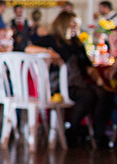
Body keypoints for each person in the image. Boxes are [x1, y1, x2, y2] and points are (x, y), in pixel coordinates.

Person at [26, 11, 114, 147]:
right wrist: (48, 52)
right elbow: (29, 49)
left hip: (77, 81)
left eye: (76, 24)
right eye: (72, 24)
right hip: (59, 84)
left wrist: (98, 80)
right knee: (87, 96)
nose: (75, 27)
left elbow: (88, 67)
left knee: (103, 94)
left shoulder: (77, 43)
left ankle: (99, 135)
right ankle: (73, 131)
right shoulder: (51, 39)